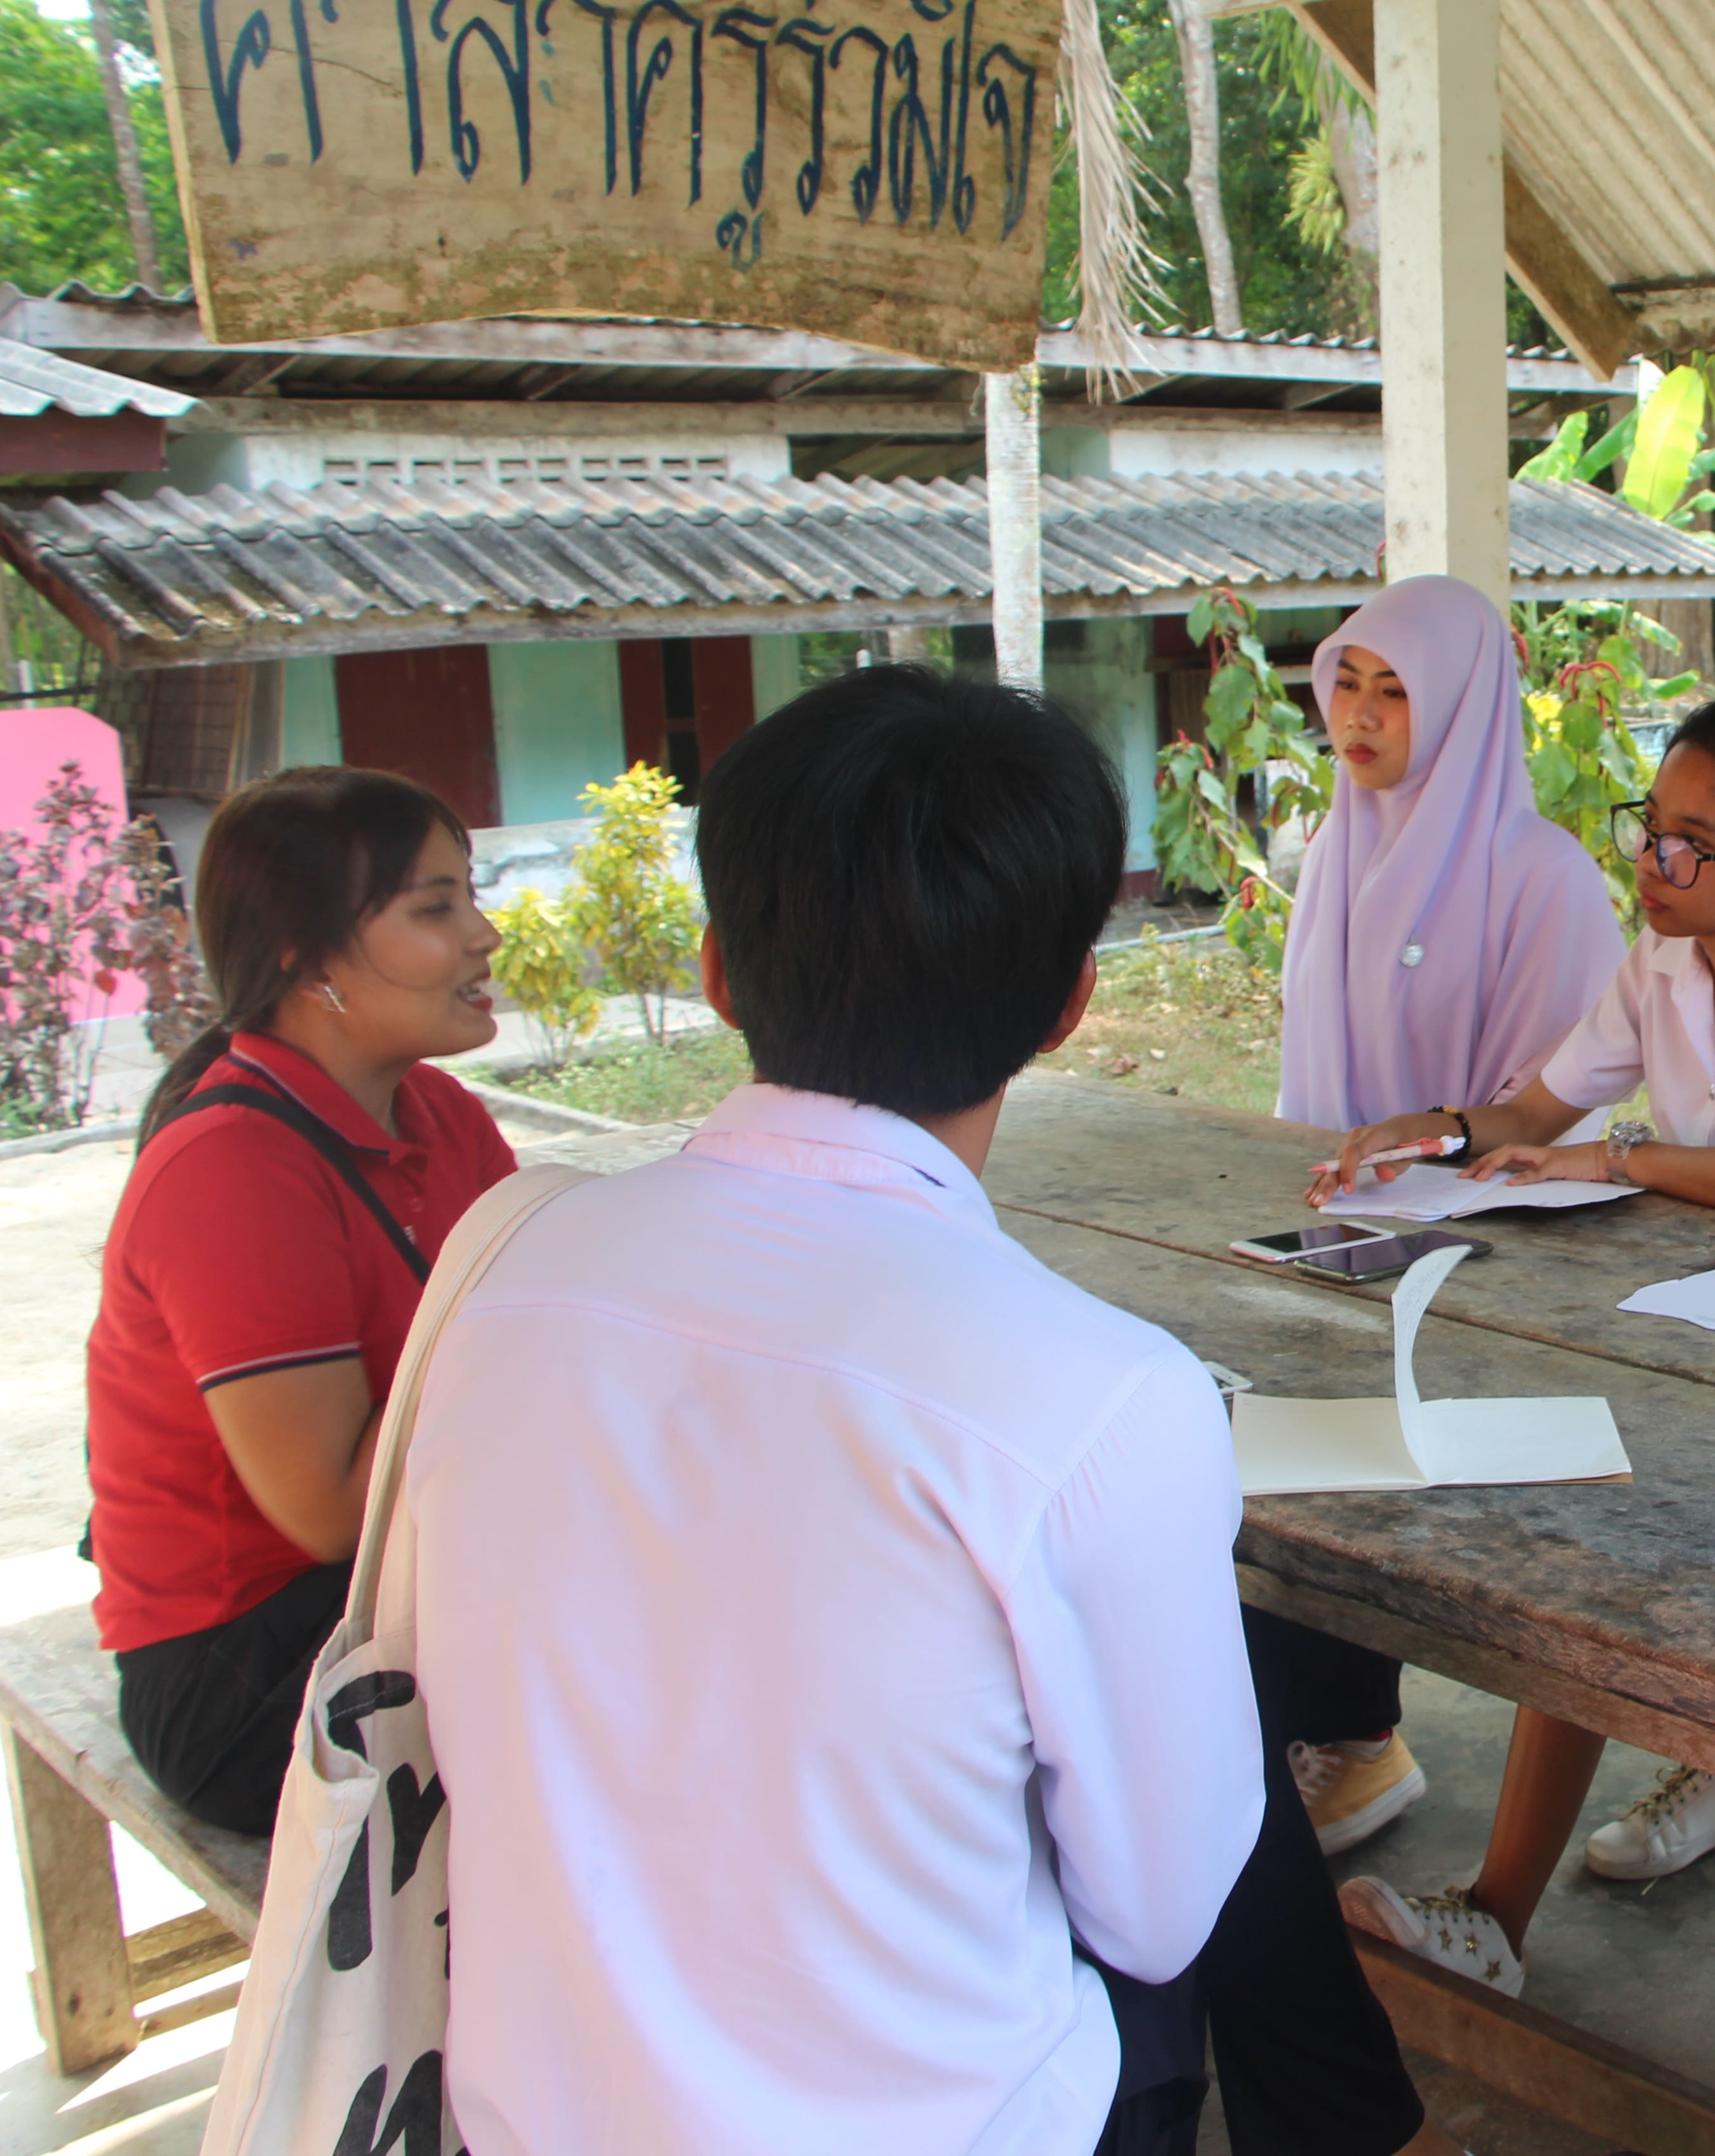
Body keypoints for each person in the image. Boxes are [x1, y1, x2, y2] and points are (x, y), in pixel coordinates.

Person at [407, 668, 1455, 2156]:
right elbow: (1159, 1916)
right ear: (1071, 1006)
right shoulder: (1098, 1395)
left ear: (716, 972)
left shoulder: (505, 1266)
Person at [1316, 695, 1715, 1990]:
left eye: (1690, 844)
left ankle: (1514, 1904)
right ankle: (1629, 1836)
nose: (1653, 863)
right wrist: (1431, 1133)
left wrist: (1614, 1159)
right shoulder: (1662, 958)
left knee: (1609, 1553)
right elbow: (1535, 1112)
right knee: (1587, 1543)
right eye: (1649, 828)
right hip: (1714, 1315)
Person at [1265, 574, 1627, 1859]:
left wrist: (1428, 1175)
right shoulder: (1337, 849)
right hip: (1351, 1228)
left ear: (1466, 705)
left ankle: (1355, 1738)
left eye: (1397, 691)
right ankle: (1335, 1728)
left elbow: (1557, 1101)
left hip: (1499, 1243)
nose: (1359, 717)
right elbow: (1313, 1072)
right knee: (1273, 1430)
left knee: (1354, 1442)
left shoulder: (1543, 876)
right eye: (1346, 685)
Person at [85, 768, 516, 1833]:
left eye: (470, 896)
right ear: (304, 956)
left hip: (396, 1583)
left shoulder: (444, 1117)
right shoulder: (230, 1168)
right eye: (436, 909)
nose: (484, 935)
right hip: (246, 1674)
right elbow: (327, 1515)